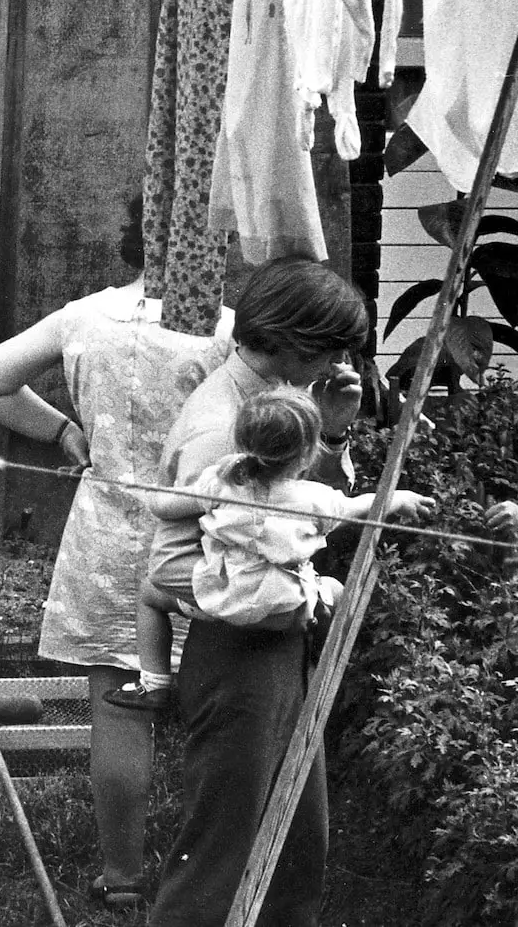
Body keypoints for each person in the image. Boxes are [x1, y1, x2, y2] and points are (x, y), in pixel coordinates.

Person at [0, 197, 229, 912]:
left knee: (121, 707)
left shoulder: (85, 317)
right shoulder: (229, 335)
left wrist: (57, 432)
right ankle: (216, 873)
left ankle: (122, 877)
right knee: (224, 710)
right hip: (211, 541)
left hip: (111, 543)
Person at [148, 257, 370, 927]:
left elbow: (290, 508)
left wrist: (328, 431)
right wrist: (261, 597)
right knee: (224, 859)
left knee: (297, 853)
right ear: (295, 342)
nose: (337, 362)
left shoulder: (269, 407)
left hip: (276, 648)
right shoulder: (224, 429)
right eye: (330, 349)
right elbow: (164, 568)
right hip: (240, 656)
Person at [109, 385, 433, 713]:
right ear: (308, 453)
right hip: (284, 610)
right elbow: (359, 507)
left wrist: (150, 489)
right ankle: (321, 640)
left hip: (222, 601)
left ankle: (154, 684)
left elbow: (163, 507)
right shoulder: (314, 499)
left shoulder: (222, 482)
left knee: (150, 595)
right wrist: (399, 498)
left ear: (242, 441)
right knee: (335, 588)